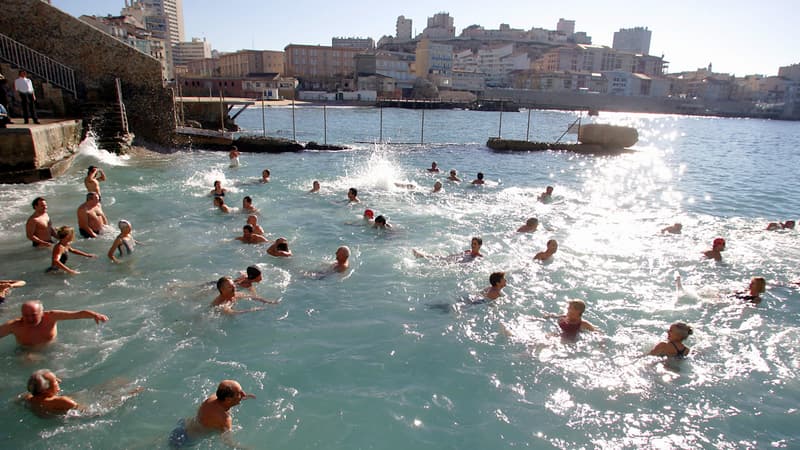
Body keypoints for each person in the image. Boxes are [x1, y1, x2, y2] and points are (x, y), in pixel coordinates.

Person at [169, 380, 256, 447]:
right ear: (228, 399)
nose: (244, 394)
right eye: (239, 393)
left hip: (183, 425)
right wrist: (244, 448)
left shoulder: (214, 397)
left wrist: (240, 397)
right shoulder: (224, 419)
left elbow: (229, 398)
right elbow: (227, 442)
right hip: (186, 440)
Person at [0, 300, 108, 348]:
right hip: (26, 352)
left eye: (33, 315)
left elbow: (76, 314)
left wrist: (95, 315)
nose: (29, 319)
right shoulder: (14, 326)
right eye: (26, 315)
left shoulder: (51, 316)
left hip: (52, 348)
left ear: (42, 313)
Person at [211, 277, 277, 315]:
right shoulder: (222, 303)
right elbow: (232, 313)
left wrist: (268, 302)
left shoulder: (234, 294)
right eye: (230, 287)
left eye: (233, 285)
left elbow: (252, 297)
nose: (234, 287)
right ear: (222, 290)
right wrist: (251, 310)